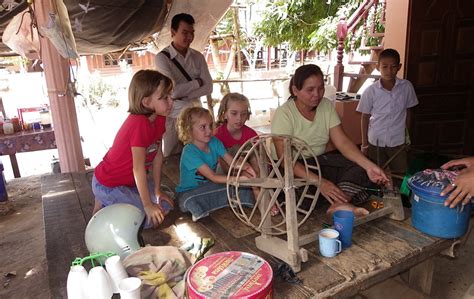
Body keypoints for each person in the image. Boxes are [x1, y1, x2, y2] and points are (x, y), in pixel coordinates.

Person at [271, 64, 390, 206]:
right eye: (310, 90)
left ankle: (337, 202)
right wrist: (320, 182)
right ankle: (342, 199)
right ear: (295, 90)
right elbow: (286, 161)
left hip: (318, 162)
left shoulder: (326, 106)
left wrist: (370, 166)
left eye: (321, 88)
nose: (317, 94)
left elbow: (343, 143)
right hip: (292, 168)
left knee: (364, 167)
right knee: (303, 194)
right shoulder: (284, 114)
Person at [92, 70, 174, 229]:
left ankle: (112, 204)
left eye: (170, 95)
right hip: (109, 183)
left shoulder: (160, 118)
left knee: (165, 203)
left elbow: (158, 155)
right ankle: (104, 205)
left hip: (129, 184)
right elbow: (138, 168)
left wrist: (157, 192)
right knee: (146, 219)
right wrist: (147, 205)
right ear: (146, 102)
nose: (171, 101)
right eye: (164, 97)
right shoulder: (138, 124)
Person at [175, 107, 256, 221]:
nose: (209, 131)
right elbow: (213, 177)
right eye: (203, 127)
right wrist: (238, 179)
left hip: (210, 187)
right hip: (189, 192)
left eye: (210, 125)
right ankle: (207, 205)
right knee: (189, 199)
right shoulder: (189, 152)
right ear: (189, 130)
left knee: (240, 188)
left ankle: (208, 206)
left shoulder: (214, 142)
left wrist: (246, 167)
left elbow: (232, 162)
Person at [155, 13, 213, 157]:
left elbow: (209, 87)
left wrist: (183, 94)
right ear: (173, 32)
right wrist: (196, 83)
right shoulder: (162, 58)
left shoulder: (197, 57)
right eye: (185, 32)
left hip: (196, 117)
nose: (189, 37)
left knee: (199, 155)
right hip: (173, 116)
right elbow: (172, 92)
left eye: (191, 33)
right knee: (171, 155)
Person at [356, 48, 418, 177]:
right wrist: (365, 144)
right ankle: (378, 197)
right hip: (375, 141)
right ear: (378, 67)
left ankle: (400, 196)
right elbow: (365, 117)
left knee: (400, 174)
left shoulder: (406, 87)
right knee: (376, 175)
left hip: (398, 140)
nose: (389, 71)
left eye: (393, 66)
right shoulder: (370, 91)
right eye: (385, 67)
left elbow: (409, 112)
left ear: (399, 67)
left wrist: (408, 137)